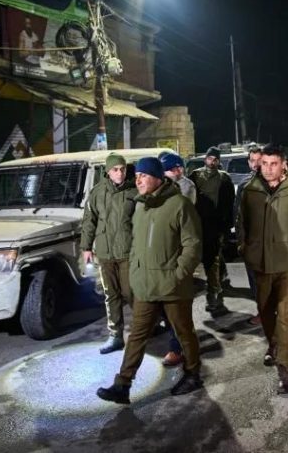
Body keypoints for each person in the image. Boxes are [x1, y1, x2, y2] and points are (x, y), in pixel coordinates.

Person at [96, 157, 203, 404]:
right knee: (137, 335)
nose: (138, 180)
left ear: (157, 177)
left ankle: (193, 374)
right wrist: (135, 273)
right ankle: (122, 385)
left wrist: (177, 276)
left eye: (143, 176)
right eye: (136, 176)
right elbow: (136, 244)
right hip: (146, 285)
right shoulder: (140, 206)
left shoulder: (180, 205)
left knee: (184, 332)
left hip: (173, 287)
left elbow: (193, 245)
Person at [238, 143, 288, 393]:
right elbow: (241, 222)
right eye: (264, 163)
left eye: (274, 164)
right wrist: (245, 247)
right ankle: (273, 344)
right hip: (260, 263)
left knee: (285, 315)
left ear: (284, 164)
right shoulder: (250, 190)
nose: (268, 169)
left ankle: (286, 369)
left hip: (287, 265)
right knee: (265, 311)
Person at [81, 153, 137, 354]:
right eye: (115, 169)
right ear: (108, 171)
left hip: (128, 252)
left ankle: (147, 326)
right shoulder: (97, 192)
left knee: (131, 293)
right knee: (111, 294)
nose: (120, 173)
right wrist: (86, 247)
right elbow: (89, 221)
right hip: (105, 252)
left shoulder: (134, 191)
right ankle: (115, 335)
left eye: (122, 169)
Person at [157, 152, 198, 367]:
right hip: (158, 255)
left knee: (177, 303)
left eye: (177, 168)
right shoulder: (156, 188)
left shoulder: (185, 187)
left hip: (177, 253)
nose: (177, 171)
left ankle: (178, 348)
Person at [190, 146, 235, 315]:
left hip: (215, 226)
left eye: (215, 159)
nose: (212, 162)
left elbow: (229, 203)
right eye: (210, 158)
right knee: (205, 258)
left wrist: (227, 227)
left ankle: (213, 294)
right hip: (197, 224)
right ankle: (219, 277)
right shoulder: (195, 176)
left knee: (212, 258)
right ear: (205, 159)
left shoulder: (224, 178)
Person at [234, 146, 263, 325]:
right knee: (254, 280)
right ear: (249, 162)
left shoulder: (276, 183)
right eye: (253, 160)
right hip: (250, 242)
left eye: (259, 160)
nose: (256, 164)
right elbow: (237, 215)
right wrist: (240, 240)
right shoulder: (243, 185)